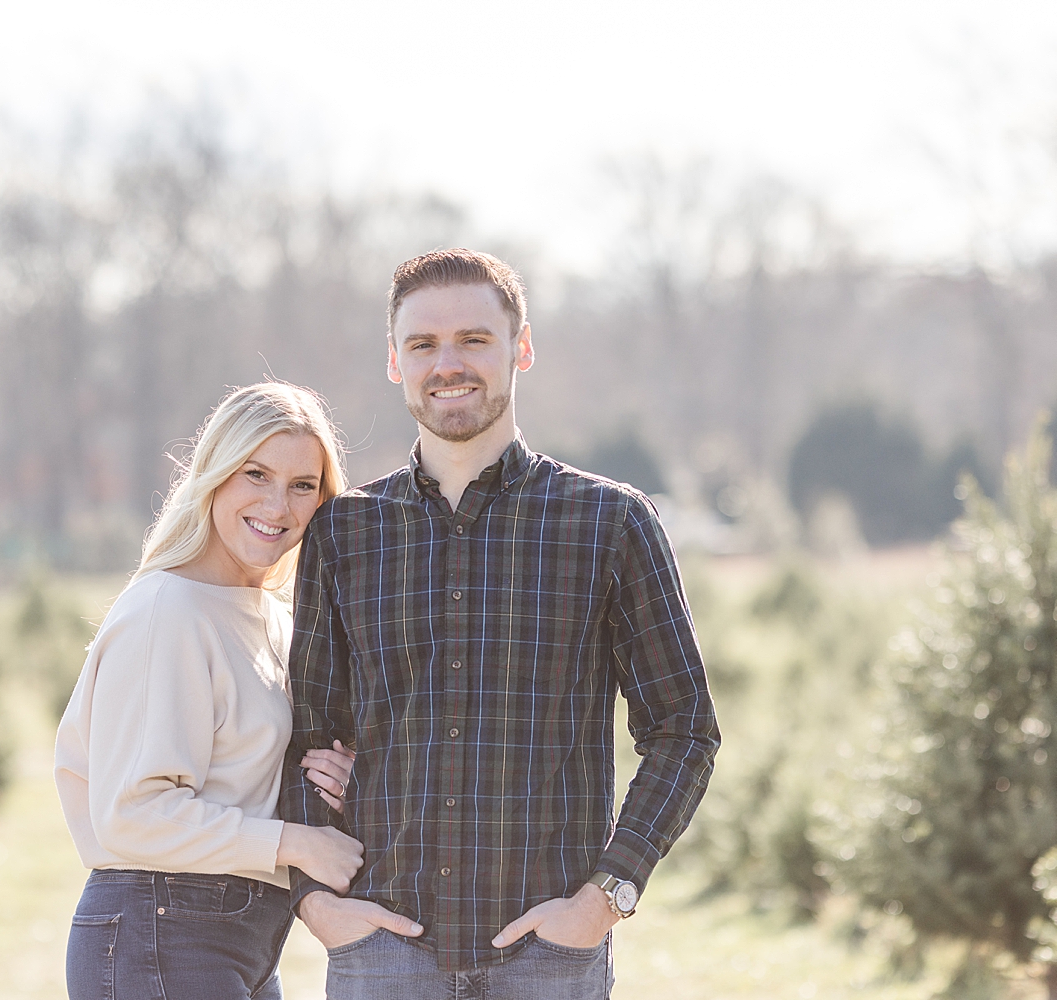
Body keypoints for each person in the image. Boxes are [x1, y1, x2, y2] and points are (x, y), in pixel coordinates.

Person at [279, 249, 721, 999]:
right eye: (423, 344)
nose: (447, 363)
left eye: (474, 340)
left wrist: (608, 894)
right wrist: (315, 901)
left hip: (550, 955)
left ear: (521, 348)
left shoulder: (609, 523)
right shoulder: (344, 531)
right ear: (395, 360)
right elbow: (308, 733)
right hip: (382, 951)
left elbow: (684, 730)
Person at [56, 382, 363, 1000]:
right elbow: (132, 815)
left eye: (303, 485)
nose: (278, 505)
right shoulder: (166, 611)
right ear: (216, 475)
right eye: (256, 474)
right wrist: (295, 843)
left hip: (235, 937)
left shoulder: (271, 618)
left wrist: (346, 781)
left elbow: (247, 775)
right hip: (161, 933)